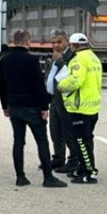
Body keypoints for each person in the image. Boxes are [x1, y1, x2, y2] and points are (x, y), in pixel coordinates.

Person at [0, 30, 67, 187]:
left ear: (14, 42)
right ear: (28, 42)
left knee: (18, 141)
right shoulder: (31, 60)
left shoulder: (4, 61)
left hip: (14, 106)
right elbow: (38, 85)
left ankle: (20, 177)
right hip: (32, 107)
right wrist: (44, 107)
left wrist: (5, 106)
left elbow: (1, 86)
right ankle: (48, 177)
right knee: (42, 142)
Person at [56, 32, 103, 184]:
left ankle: (89, 173)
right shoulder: (93, 57)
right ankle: (83, 169)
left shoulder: (78, 60)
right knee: (87, 140)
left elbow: (75, 81)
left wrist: (60, 85)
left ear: (74, 46)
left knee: (82, 142)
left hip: (80, 107)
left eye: (70, 46)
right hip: (92, 106)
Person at [44, 30, 76, 173]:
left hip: (65, 100)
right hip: (54, 100)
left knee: (67, 132)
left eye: (59, 42)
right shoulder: (54, 56)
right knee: (55, 131)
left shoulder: (71, 57)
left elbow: (70, 76)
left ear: (66, 42)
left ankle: (74, 161)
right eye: (53, 42)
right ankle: (58, 159)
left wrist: (58, 60)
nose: (56, 45)